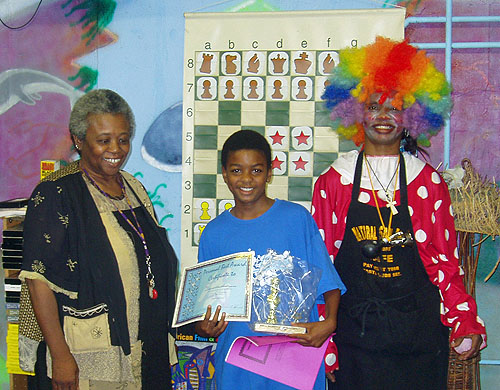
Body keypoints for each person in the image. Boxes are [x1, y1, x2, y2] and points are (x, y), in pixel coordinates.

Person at [312, 37, 486, 389]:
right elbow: (320, 270)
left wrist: (463, 319)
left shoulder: (428, 182)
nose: (384, 117)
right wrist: (326, 341)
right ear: (357, 112)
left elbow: (445, 263)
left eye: (396, 108)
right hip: (354, 340)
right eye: (374, 106)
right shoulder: (334, 182)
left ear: (413, 117)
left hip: (419, 341)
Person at [19, 89, 178, 390]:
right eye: (103, 140)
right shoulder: (56, 194)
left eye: (123, 138)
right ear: (79, 141)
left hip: (145, 349)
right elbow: (37, 280)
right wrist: (60, 355)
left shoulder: (134, 188)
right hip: (88, 356)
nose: (116, 149)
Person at [194, 129, 345, 390]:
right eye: (236, 170)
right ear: (225, 175)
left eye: (256, 170)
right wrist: (203, 327)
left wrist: (329, 322)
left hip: (294, 360)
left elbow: (329, 283)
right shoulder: (214, 233)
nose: (246, 179)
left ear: (269, 173)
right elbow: (202, 309)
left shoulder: (296, 219)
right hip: (237, 364)